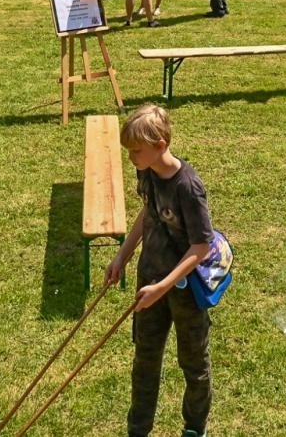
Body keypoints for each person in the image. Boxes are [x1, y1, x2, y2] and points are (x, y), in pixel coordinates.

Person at [105, 104, 216, 437]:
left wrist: (163, 287)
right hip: (149, 280)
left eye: (136, 151)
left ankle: (194, 429)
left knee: (193, 364)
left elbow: (201, 247)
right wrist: (122, 256)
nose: (131, 158)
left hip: (184, 292)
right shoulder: (147, 170)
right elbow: (148, 212)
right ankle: (138, 430)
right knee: (144, 362)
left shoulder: (188, 188)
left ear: (160, 145)